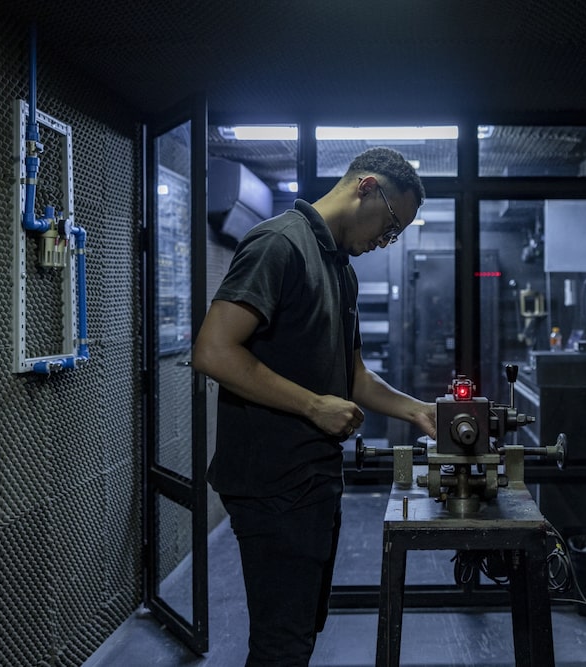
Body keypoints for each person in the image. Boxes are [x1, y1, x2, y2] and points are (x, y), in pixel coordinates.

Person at [192, 146, 437, 666]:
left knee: (300, 634)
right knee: (282, 646)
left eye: (397, 235)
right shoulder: (279, 244)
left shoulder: (340, 269)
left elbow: (353, 378)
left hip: (311, 482)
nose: (386, 241)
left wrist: (420, 411)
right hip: (271, 483)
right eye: (391, 224)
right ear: (366, 187)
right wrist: (311, 406)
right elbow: (213, 350)